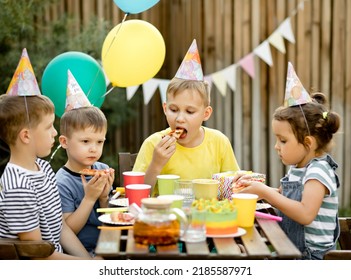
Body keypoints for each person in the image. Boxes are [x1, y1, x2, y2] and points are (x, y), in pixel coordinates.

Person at [233, 62, 340, 260]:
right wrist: (254, 188)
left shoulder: (318, 172)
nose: (276, 146)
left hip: (311, 258)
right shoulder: (299, 168)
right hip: (290, 250)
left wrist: (264, 192)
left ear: (307, 142)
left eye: (283, 140)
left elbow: (305, 214)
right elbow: (286, 197)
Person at [133, 39, 240, 195]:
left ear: (206, 114)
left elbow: (233, 187)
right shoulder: (153, 144)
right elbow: (136, 195)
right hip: (163, 217)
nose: (180, 118)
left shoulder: (219, 142)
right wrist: (156, 164)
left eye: (190, 112)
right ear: (165, 108)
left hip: (209, 216)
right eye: (174, 109)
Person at [55, 70, 114, 255]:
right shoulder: (61, 182)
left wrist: (104, 198)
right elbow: (67, 231)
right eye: (86, 141)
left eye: (99, 142)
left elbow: (111, 219)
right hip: (79, 254)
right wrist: (89, 199)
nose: (94, 149)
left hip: (109, 245)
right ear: (64, 142)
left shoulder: (102, 169)